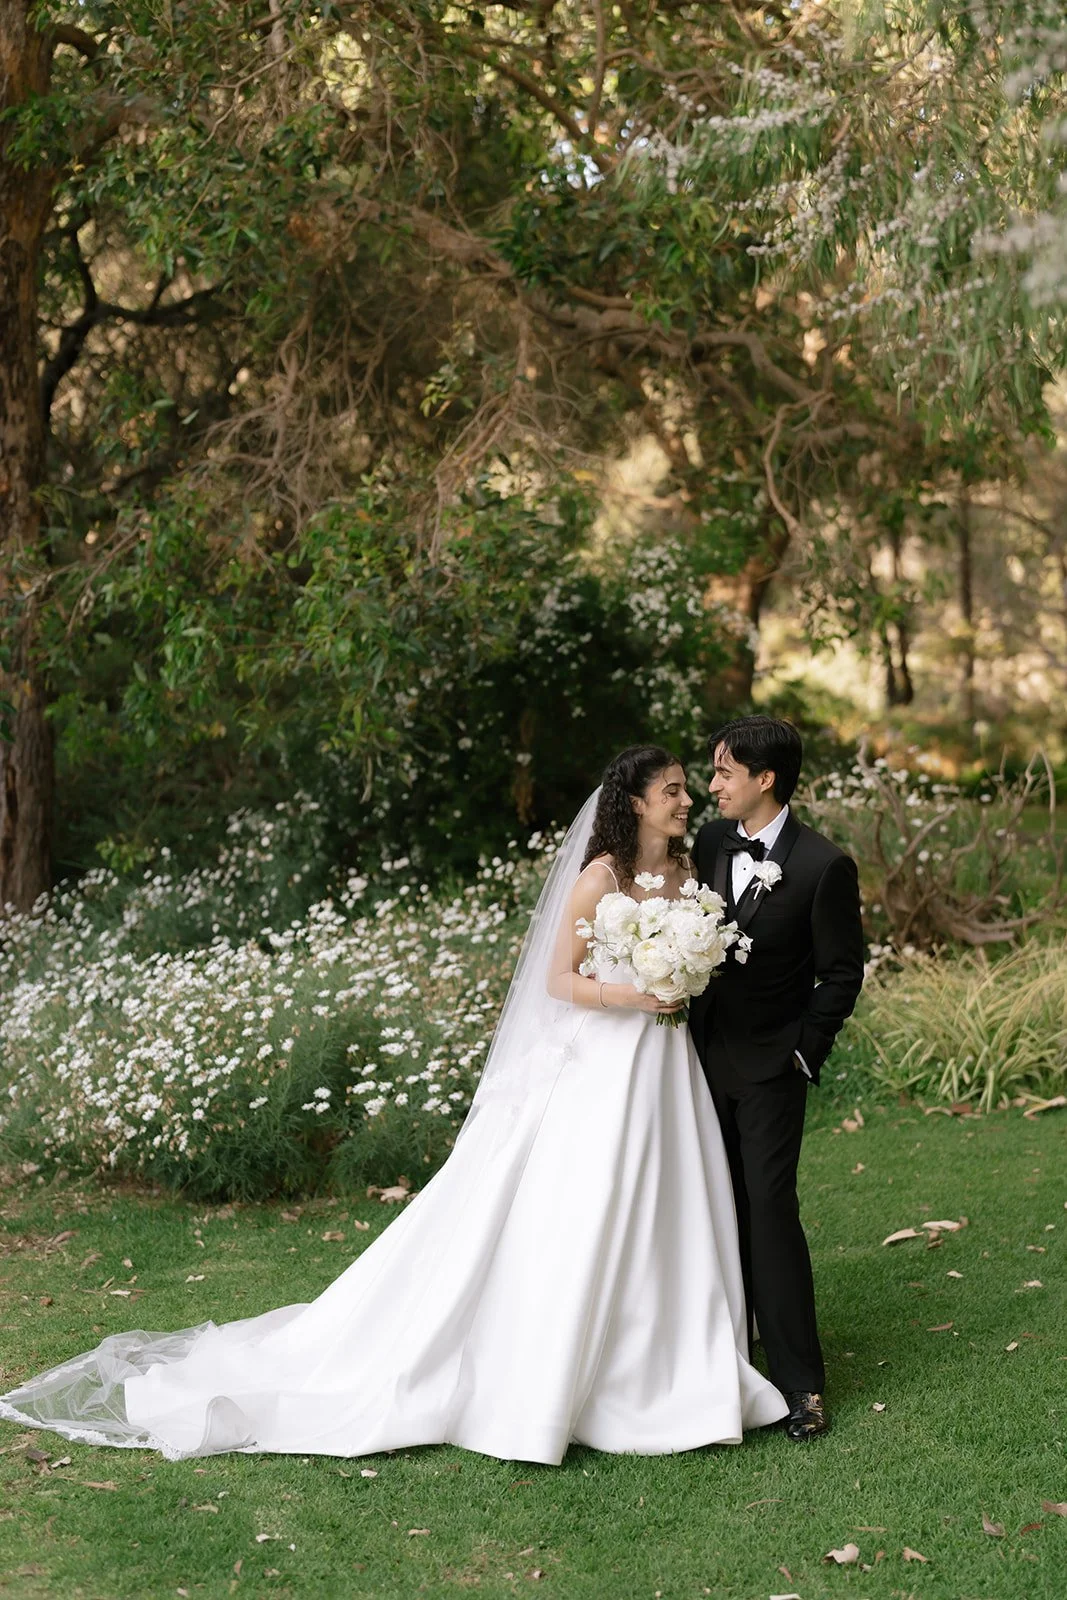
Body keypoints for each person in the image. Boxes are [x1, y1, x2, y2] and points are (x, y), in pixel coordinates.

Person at [0, 746, 786, 1464]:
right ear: (635, 802)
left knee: (668, 1198)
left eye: (687, 789)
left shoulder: (689, 873)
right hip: (605, 1062)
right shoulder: (600, 877)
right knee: (590, 1201)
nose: (687, 800)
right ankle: (561, 1367)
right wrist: (632, 992)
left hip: (663, 1064)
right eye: (673, 791)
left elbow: (699, 949)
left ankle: (671, 1357)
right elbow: (558, 982)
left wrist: (681, 976)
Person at [688, 716, 865, 1442]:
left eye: (725, 772)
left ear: (765, 779)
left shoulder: (824, 865)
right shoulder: (707, 842)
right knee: (709, 1206)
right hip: (694, 1060)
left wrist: (802, 1051)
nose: (713, 784)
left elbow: (841, 972)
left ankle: (802, 1385)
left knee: (767, 1208)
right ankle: (717, 1357)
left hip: (769, 1069)